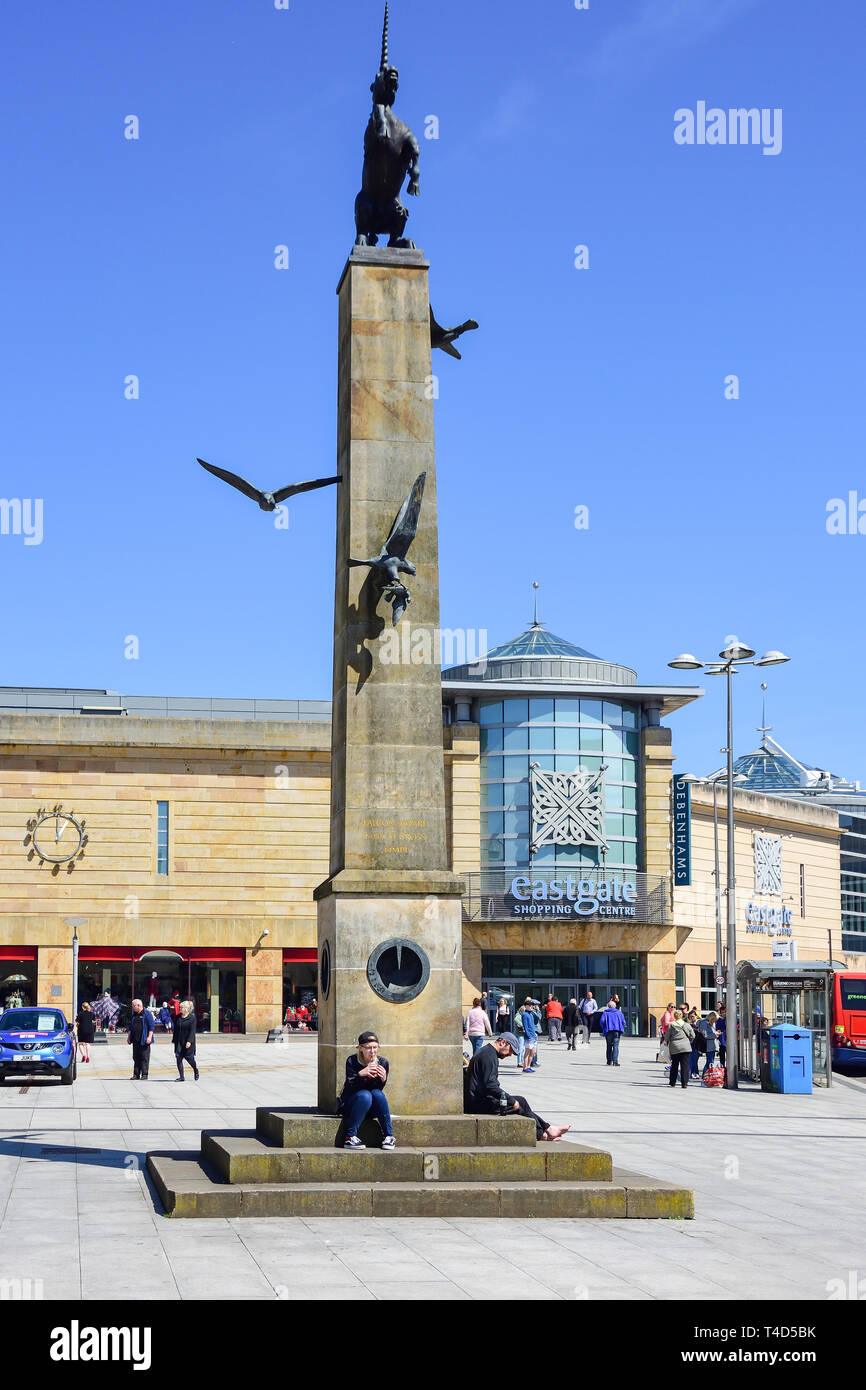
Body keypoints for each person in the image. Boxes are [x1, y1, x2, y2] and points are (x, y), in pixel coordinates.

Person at [463, 1033, 571, 1142]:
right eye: (510, 1050)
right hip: (478, 1105)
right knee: (519, 1102)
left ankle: (547, 1129)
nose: (510, 1054)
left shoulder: (486, 1052)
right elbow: (490, 1085)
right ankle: (543, 1133)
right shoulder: (489, 1056)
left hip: (476, 1101)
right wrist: (510, 1100)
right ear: (503, 1042)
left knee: (520, 1101)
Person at [339, 1031, 395, 1150]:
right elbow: (350, 1086)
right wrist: (360, 1075)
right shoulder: (352, 1061)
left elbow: (377, 1090)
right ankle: (350, 1137)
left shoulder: (383, 1063)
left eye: (375, 1047)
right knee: (365, 1095)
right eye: (368, 1048)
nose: (372, 1051)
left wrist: (383, 1079)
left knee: (377, 1094)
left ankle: (389, 1136)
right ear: (360, 1048)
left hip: (371, 1108)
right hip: (353, 1104)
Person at [666, 1009, 695, 1089]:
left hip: (675, 1047)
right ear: (681, 1016)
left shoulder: (671, 1025)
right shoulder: (686, 1025)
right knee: (685, 1065)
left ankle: (672, 1082)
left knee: (674, 1065)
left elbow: (667, 1037)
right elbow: (693, 1035)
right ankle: (684, 1083)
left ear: (674, 1016)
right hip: (685, 1047)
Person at [127, 998, 155, 1080]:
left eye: (133, 1006)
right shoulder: (134, 1014)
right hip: (135, 1039)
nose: (132, 1007)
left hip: (144, 1039)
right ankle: (136, 1074)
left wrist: (149, 1037)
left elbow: (151, 1027)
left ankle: (144, 1074)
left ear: (139, 1006)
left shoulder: (147, 1014)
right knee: (135, 1057)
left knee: (144, 1057)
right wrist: (129, 1037)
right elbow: (131, 1027)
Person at [173, 998, 199, 1081]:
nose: (180, 1009)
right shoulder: (177, 1017)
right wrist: (174, 1039)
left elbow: (192, 1031)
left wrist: (189, 1041)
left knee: (189, 1058)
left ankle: (195, 1069)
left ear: (187, 1009)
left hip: (188, 1041)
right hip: (179, 1042)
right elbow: (175, 1029)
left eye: (182, 1008)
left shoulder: (192, 1018)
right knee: (178, 1058)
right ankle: (181, 1077)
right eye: (180, 1007)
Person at [599, 998, 626, 1067]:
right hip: (617, 1031)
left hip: (608, 1031)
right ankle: (615, 1061)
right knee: (616, 1046)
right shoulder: (619, 1012)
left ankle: (609, 1061)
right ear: (615, 1006)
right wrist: (622, 1028)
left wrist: (604, 1028)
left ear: (608, 1006)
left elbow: (602, 1021)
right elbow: (623, 1022)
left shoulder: (605, 1012)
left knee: (609, 1046)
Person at [698, 1011, 719, 1079]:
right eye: (714, 1020)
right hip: (708, 1045)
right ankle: (705, 1075)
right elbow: (705, 1035)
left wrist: (715, 1033)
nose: (714, 1021)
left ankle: (706, 1075)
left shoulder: (711, 1023)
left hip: (712, 1045)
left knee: (710, 1061)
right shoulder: (705, 1023)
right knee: (710, 1061)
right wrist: (715, 1034)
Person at [521, 997, 538, 1072]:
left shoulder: (531, 1014)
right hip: (529, 1036)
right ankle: (525, 1067)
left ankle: (528, 1065)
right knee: (527, 1052)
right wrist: (528, 1035)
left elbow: (533, 1024)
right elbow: (525, 1026)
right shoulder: (525, 1014)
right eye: (530, 1005)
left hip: (533, 1036)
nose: (532, 1006)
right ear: (526, 1006)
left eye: (532, 1005)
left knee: (533, 1052)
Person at [687, 1009, 703, 1077]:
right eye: (690, 1017)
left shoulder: (700, 1023)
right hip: (691, 1044)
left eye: (693, 1016)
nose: (692, 1018)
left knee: (695, 1059)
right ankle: (693, 1073)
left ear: (696, 1016)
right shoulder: (689, 1025)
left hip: (698, 1044)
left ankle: (695, 1072)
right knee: (691, 1059)